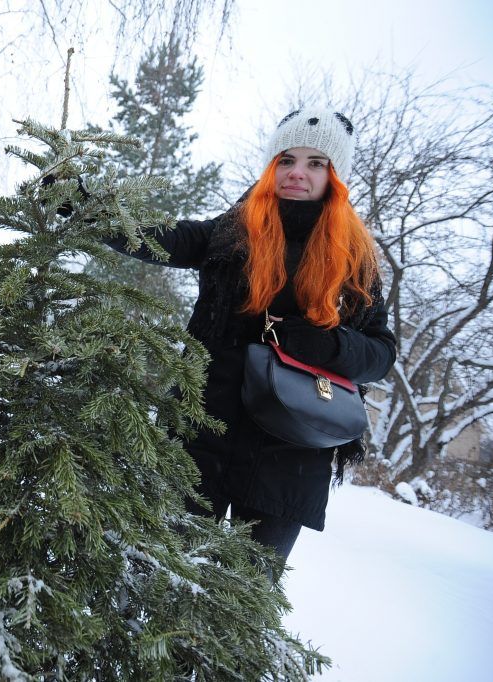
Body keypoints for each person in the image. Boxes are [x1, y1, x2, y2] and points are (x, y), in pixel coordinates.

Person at [105, 108, 397, 570]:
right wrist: (91, 209)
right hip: (203, 431)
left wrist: (330, 346)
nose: (297, 173)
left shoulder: (353, 256)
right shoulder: (235, 228)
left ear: (334, 175)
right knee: (159, 578)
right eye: (286, 159)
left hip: (290, 452)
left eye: (315, 163)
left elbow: (381, 354)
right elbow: (168, 239)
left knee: (240, 605)